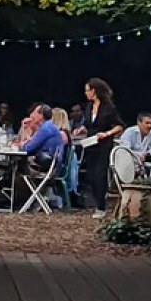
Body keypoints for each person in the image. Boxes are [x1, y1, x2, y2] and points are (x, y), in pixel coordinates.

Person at [72, 79, 119, 213]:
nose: (86, 93)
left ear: (94, 91)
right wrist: (82, 129)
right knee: (90, 175)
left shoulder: (109, 108)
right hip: (91, 142)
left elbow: (118, 125)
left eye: (87, 90)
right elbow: (89, 125)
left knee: (100, 174)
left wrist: (107, 133)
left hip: (104, 144)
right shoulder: (89, 107)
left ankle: (100, 206)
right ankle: (95, 201)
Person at [19, 102, 69, 205]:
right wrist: (25, 129)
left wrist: (24, 141)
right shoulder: (49, 127)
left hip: (46, 167)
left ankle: (15, 200)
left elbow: (27, 149)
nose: (31, 115)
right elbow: (29, 144)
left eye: (34, 113)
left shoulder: (45, 129)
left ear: (40, 116)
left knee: (16, 166)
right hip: (52, 165)